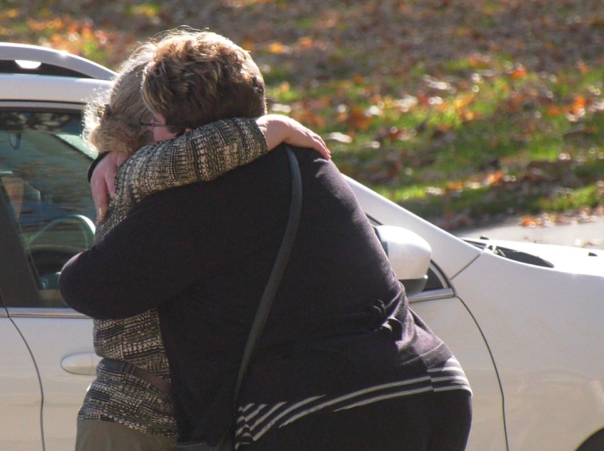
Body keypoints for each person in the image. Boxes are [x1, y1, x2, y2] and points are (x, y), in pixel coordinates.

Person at [62, 30, 473, 450]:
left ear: (182, 136)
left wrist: (124, 167)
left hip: (321, 408)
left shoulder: (202, 193)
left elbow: (91, 287)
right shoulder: (304, 157)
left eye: (155, 125)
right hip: (434, 384)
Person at [74, 40, 329, 451]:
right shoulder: (149, 171)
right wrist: (271, 127)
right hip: (135, 417)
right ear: (154, 130)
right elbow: (205, 147)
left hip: (174, 416)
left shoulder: (139, 171)